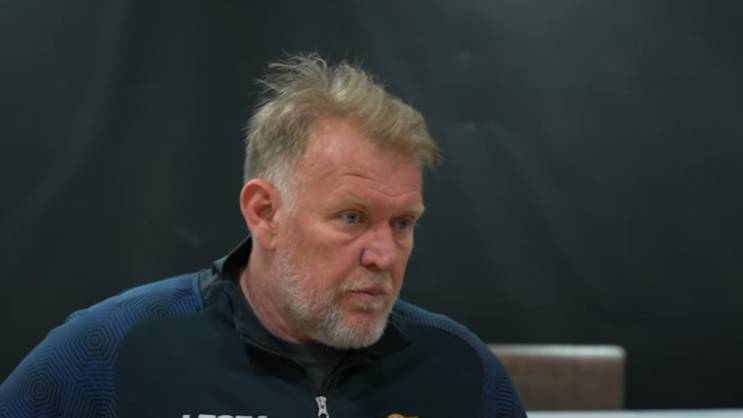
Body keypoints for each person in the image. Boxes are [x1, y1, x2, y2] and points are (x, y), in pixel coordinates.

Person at [0, 54, 525, 417]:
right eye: (352, 217)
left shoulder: (459, 368)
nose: (384, 255)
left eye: (403, 223)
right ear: (265, 213)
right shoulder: (109, 350)